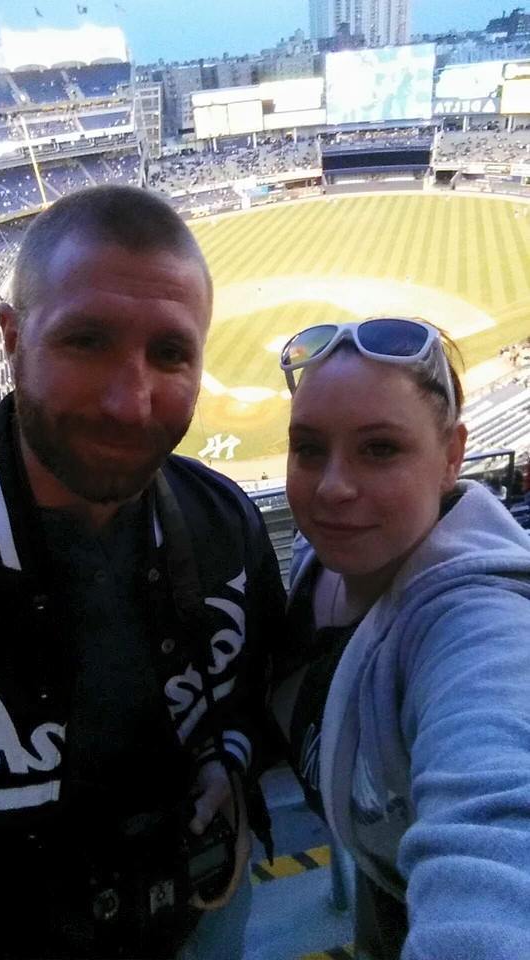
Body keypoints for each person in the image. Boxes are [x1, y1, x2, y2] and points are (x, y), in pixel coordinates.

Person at [0, 185, 285, 959]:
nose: (131, 403)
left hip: (203, 921)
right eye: (86, 340)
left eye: (170, 353)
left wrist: (230, 760)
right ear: (11, 338)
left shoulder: (227, 526)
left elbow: (261, 691)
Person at [271, 317, 530, 960]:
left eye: (380, 448)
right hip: (378, 884)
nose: (332, 487)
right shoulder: (320, 556)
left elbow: (497, 829)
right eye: (308, 448)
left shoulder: (479, 624)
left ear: (452, 456)